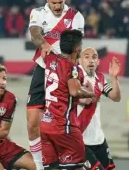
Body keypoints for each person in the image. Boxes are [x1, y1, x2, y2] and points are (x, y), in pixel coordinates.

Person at [27, 0, 85, 169]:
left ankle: (70, 159)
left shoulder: (76, 17)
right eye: (54, 3)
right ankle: (38, 165)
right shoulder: (38, 13)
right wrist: (43, 43)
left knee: (64, 122)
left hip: (64, 72)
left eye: (60, 2)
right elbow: (35, 32)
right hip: (42, 69)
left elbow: (75, 48)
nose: (58, 6)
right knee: (33, 123)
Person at [41, 29, 96, 169]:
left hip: (46, 126)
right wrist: (90, 93)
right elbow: (74, 91)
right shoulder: (72, 67)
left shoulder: (50, 59)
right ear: (78, 48)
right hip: (63, 126)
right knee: (77, 166)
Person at [77, 47, 122, 170]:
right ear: (80, 60)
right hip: (80, 140)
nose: (91, 60)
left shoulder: (100, 78)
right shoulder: (75, 77)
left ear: (98, 62)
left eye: (94, 57)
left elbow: (116, 97)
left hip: (98, 139)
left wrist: (114, 78)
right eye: (86, 57)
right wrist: (84, 98)